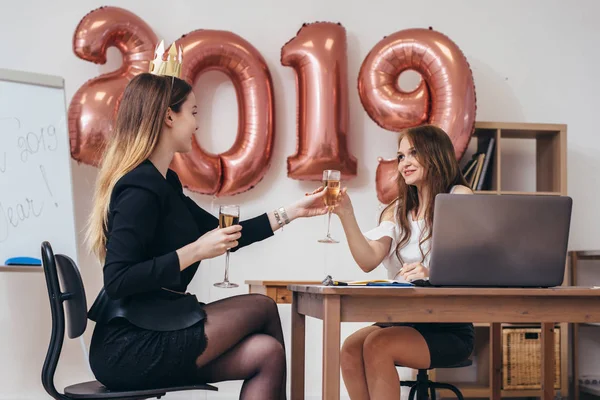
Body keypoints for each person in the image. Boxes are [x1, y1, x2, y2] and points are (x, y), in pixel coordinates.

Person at [85, 56, 328, 398]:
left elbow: (225, 233)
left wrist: (294, 211)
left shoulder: (165, 182)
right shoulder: (139, 187)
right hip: (129, 345)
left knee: (267, 353)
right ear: (170, 116)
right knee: (262, 305)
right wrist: (195, 251)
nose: (198, 123)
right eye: (194, 112)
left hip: (155, 326)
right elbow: (118, 279)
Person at [331, 124, 475, 399]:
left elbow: (471, 263)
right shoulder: (397, 210)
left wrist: (431, 273)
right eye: (400, 156)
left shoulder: (458, 197)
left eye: (413, 153)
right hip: (401, 317)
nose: (404, 163)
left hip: (447, 325)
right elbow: (368, 260)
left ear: (436, 154)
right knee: (351, 346)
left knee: (378, 344)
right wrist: (346, 214)